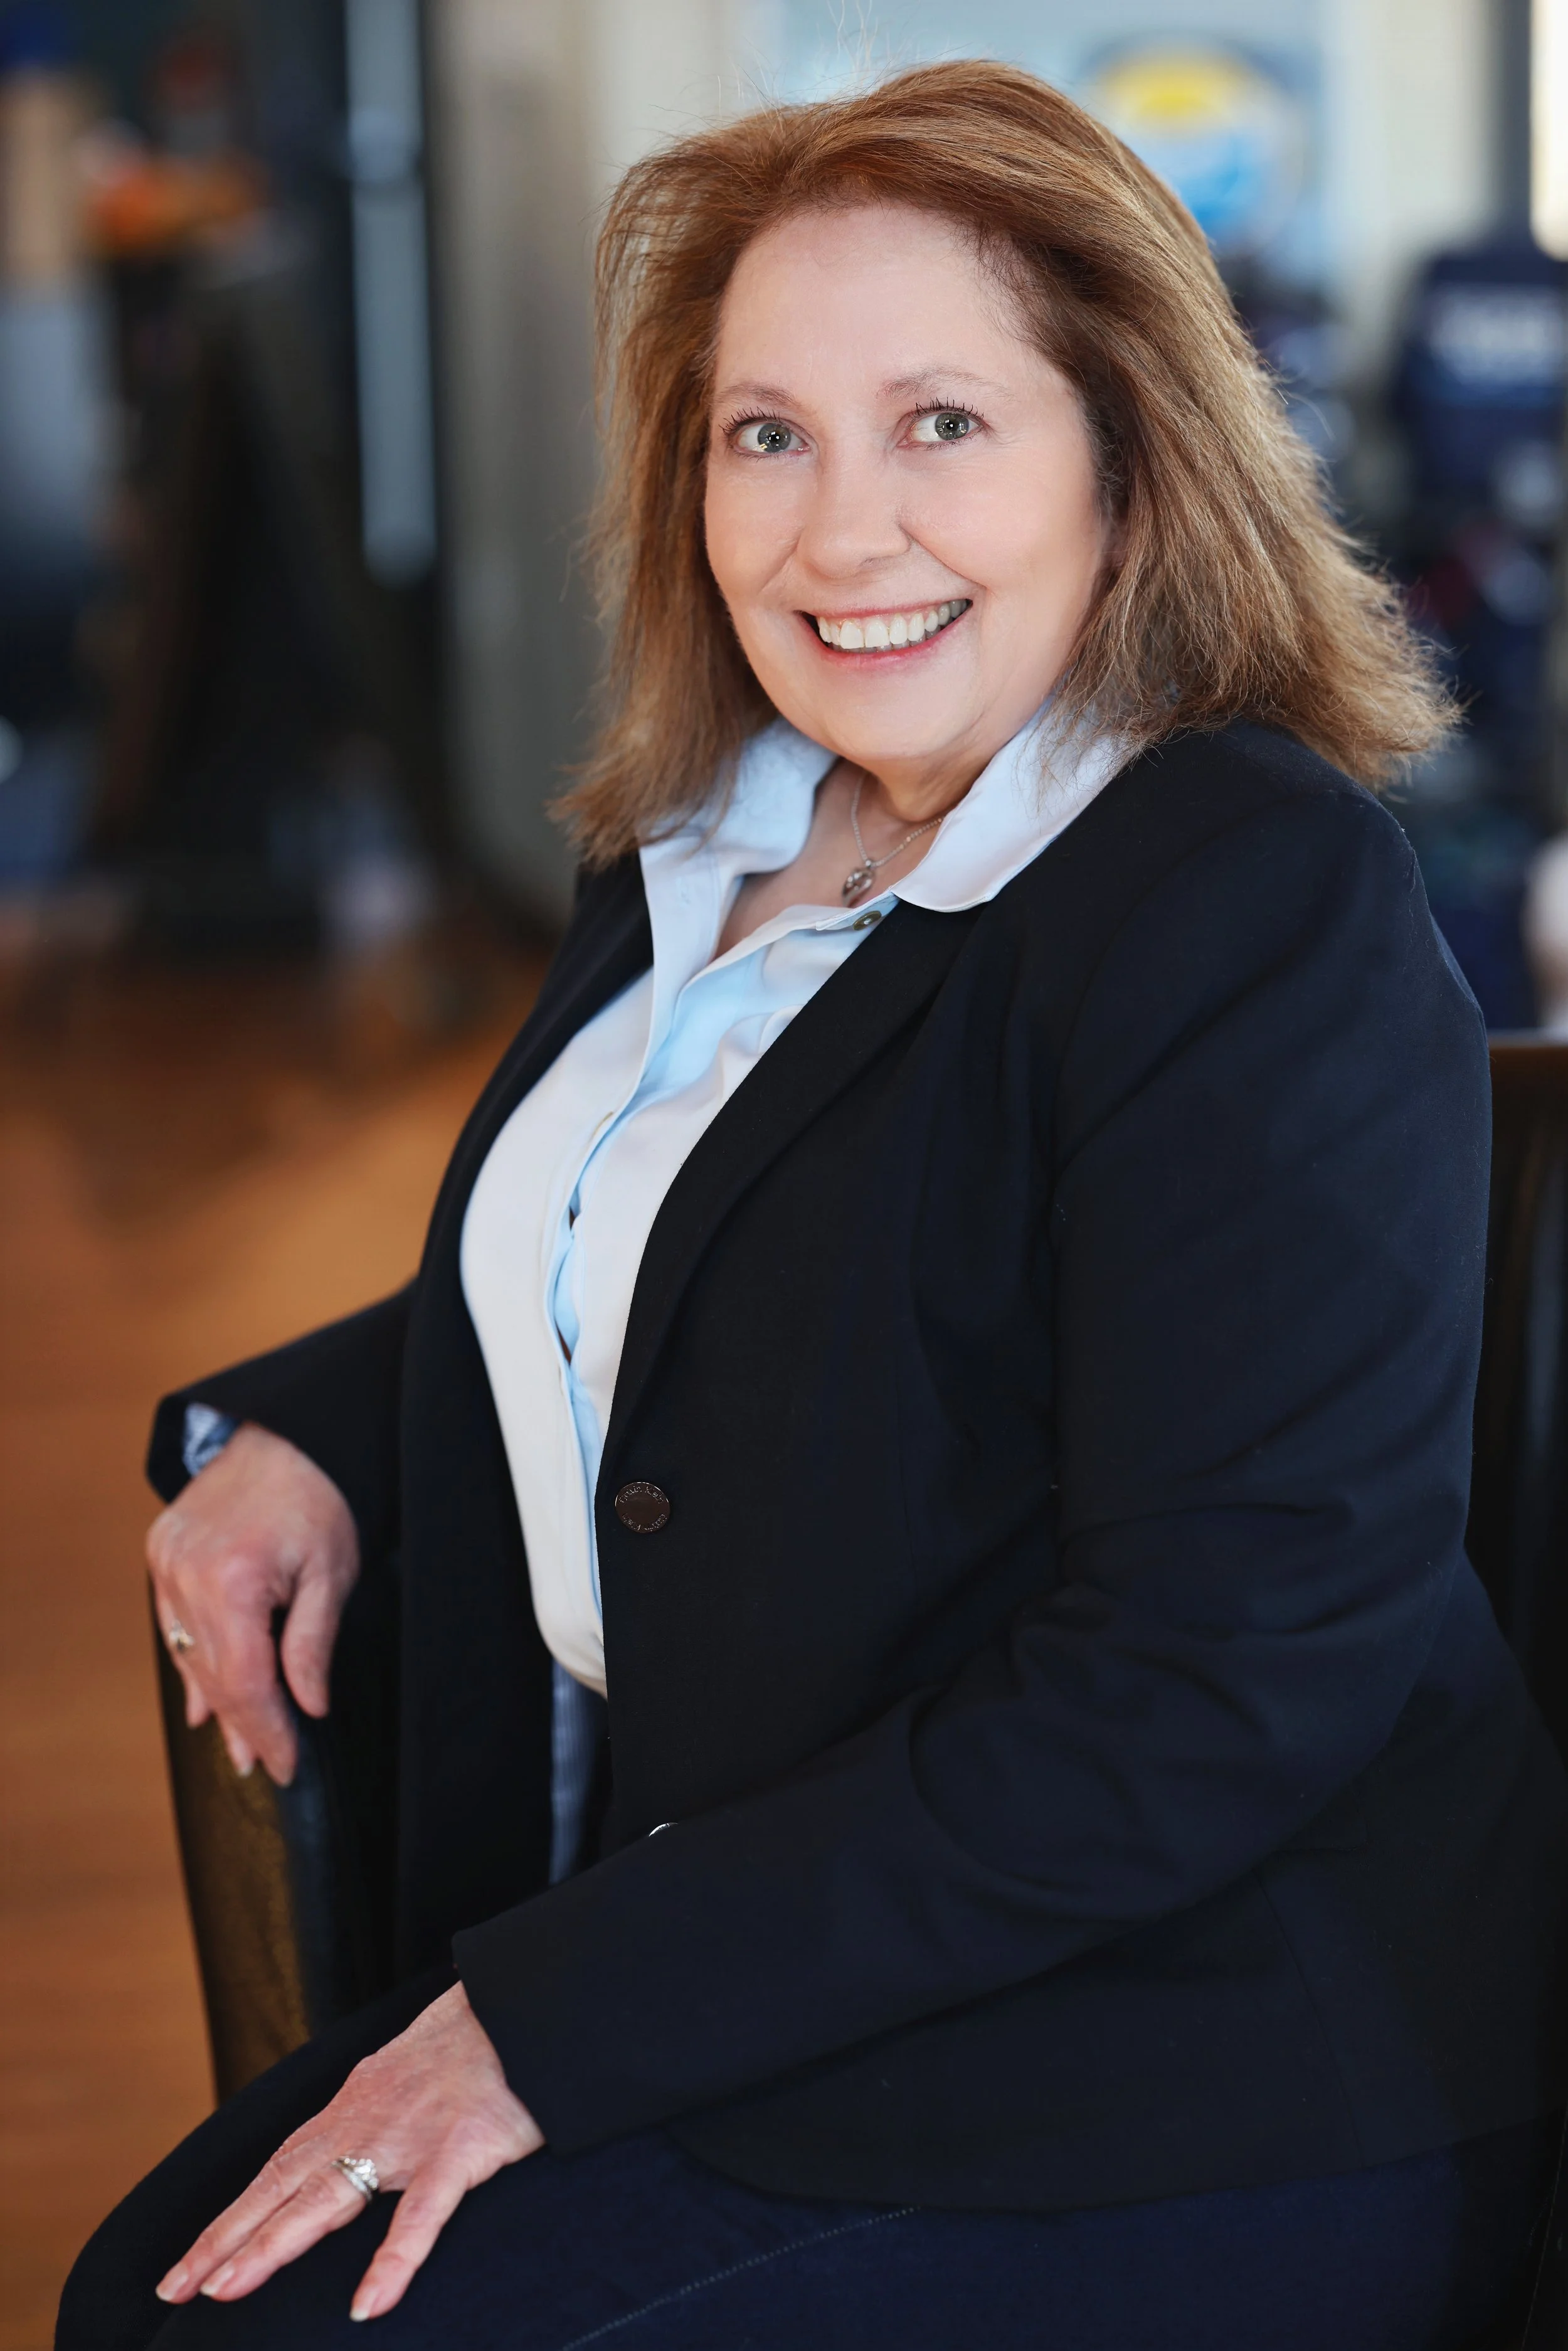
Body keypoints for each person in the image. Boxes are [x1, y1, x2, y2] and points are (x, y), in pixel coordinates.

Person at [60, 60, 1568, 2351]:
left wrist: (550, 2025)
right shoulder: (711, 832)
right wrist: (323, 1429)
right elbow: (684, 1259)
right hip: (765, 1947)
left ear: (1130, 462)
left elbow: (1213, 1674)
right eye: (766, 433)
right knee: (140, 2296)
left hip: (1173, 2055)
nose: (839, 531)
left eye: (942, 423)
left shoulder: (1242, 895)